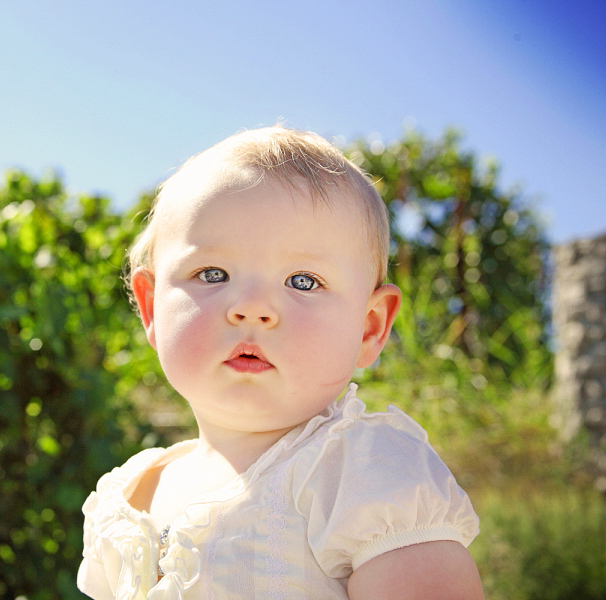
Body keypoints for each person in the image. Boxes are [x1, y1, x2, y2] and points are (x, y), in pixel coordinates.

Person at [78, 126, 483, 599]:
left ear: (369, 327)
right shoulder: (128, 496)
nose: (252, 307)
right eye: (213, 274)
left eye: (303, 281)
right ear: (150, 309)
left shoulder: (363, 474)